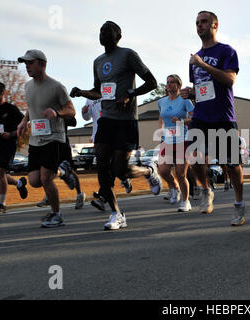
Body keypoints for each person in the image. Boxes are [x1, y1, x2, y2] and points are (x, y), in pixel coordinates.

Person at [69, 21, 161, 230]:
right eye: (101, 31)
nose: (103, 34)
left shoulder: (128, 55)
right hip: (106, 119)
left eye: (108, 31)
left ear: (118, 36)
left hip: (127, 120)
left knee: (119, 169)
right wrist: (82, 92)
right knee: (102, 164)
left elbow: (152, 82)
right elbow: (99, 91)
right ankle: (116, 213)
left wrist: (129, 94)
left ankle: (148, 171)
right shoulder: (98, 61)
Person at [180, 11, 245, 226]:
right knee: (192, 154)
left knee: (232, 164)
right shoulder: (194, 58)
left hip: (223, 116)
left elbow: (229, 80)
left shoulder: (226, 51)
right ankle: (206, 189)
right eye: (197, 22)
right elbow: (203, 89)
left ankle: (239, 204)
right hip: (202, 115)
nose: (199, 25)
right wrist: (191, 93)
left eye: (204, 21)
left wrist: (203, 64)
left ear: (214, 25)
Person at [17, 49, 76, 227]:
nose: (27, 66)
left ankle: (56, 215)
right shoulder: (27, 86)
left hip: (54, 137)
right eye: (25, 63)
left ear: (42, 64)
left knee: (45, 178)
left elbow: (71, 110)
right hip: (36, 139)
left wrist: (56, 112)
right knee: (34, 181)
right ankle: (63, 171)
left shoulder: (56, 87)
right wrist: (23, 121)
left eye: (30, 63)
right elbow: (32, 106)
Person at [0, 81, 28, 214]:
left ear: (3, 93)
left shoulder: (11, 109)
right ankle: (19, 184)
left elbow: (24, 126)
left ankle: (2, 204)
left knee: (1, 172)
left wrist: (11, 134)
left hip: (8, 144)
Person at [157, 74, 194, 212]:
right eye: (167, 82)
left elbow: (194, 117)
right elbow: (161, 118)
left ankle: (185, 201)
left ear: (178, 85)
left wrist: (181, 121)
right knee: (163, 170)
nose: (169, 84)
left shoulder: (185, 101)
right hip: (167, 139)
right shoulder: (162, 102)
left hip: (182, 140)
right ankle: (175, 187)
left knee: (181, 173)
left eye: (172, 82)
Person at [36, 116, 86, 209]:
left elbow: (73, 121)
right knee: (47, 169)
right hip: (47, 143)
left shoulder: (60, 108)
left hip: (62, 143)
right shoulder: (42, 109)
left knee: (68, 169)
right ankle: (48, 195)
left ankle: (79, 194)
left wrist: (57, 115)